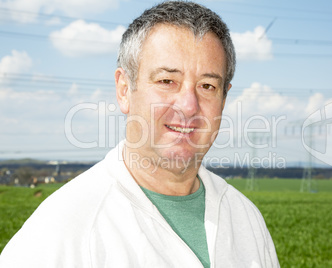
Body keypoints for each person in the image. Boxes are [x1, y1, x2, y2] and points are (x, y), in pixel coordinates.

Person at [0, 1, 280, 267]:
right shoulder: (61, 230)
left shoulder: (246, 218)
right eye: (167, 81)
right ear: (124, 90)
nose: (188, 106)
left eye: (207, 86)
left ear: (224, 98)